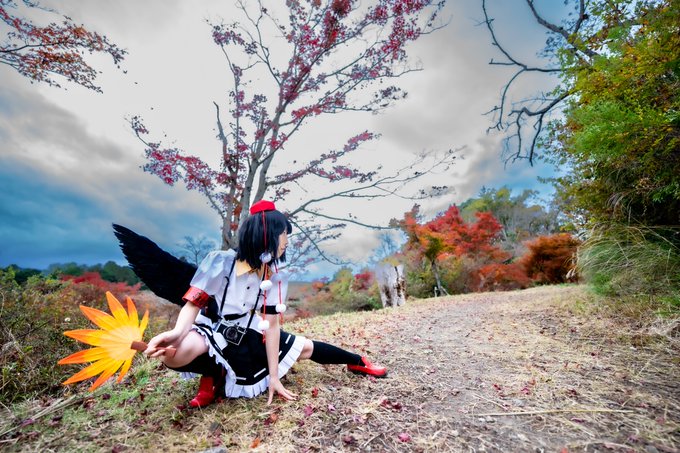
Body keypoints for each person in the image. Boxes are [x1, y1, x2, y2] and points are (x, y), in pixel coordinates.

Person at [144, 200, 387, 407]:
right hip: (214, 327)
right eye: (284, 234)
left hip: (249, 331)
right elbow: (193, 304)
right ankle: (213, 374)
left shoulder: (274, 276)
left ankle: (357, 361)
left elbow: (271, 325)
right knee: (175, 354)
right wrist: (177, 333)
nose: (287, 241)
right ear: (266, 233)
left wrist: (274, 377)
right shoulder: (221, 262)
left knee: (304, 348)